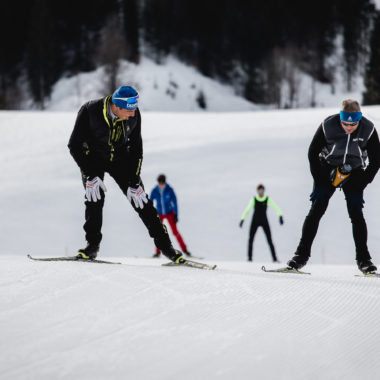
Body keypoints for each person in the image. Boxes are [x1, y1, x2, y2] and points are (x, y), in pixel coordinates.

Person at [68, 85, 185, 264]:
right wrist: (90, 175)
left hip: (120, 160)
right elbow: (74, 145)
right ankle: (91, 247)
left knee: (142, 201)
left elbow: (137, 148)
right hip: (92, 160)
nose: (133, 114)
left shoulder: (134, 114)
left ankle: (167, 248)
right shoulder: (89, 111)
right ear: (117, 106)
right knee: (94, 199)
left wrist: (135, 180)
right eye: (129, 111)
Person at [287, 99, 380, 274]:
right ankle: (300, 257)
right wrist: (320, 177)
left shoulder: (368, 129)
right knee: (317, 209)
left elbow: (376, 161)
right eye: (345, 123)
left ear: (359, 119)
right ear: (340, 118)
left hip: (355, 171)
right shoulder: (328, 125)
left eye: (353, 124)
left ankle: (364, 260)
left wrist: (364, 180)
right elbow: (312, 152)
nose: (349, 127)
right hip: (327, 168)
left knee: (356, 213)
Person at [150, 174, 191, 258]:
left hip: (169, 213)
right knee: (158, 232)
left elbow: (175, 202)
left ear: (165, 182)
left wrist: (176, 214)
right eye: (160, 183)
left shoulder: (169, 190)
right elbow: (150, 201)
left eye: (162, 183)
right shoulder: (155, 190)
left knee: (175, 232)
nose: (161, 184)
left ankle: (185, 250)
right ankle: (157, 252)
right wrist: (152, 213)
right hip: (160, 213)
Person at [239, 184, 284, 262]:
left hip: (264, 221)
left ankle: (274, 258)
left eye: (262, 190)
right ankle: (249, 258)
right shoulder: (254, 199)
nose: (261, 192)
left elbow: (276, 207)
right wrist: (242, 219)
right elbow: (247, 209)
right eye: (259, 190)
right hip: (255, 221)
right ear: (257, 191)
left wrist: (280, 216)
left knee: (269, 240)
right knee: (251, 239)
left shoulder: (267, 199)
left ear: (264, 191)